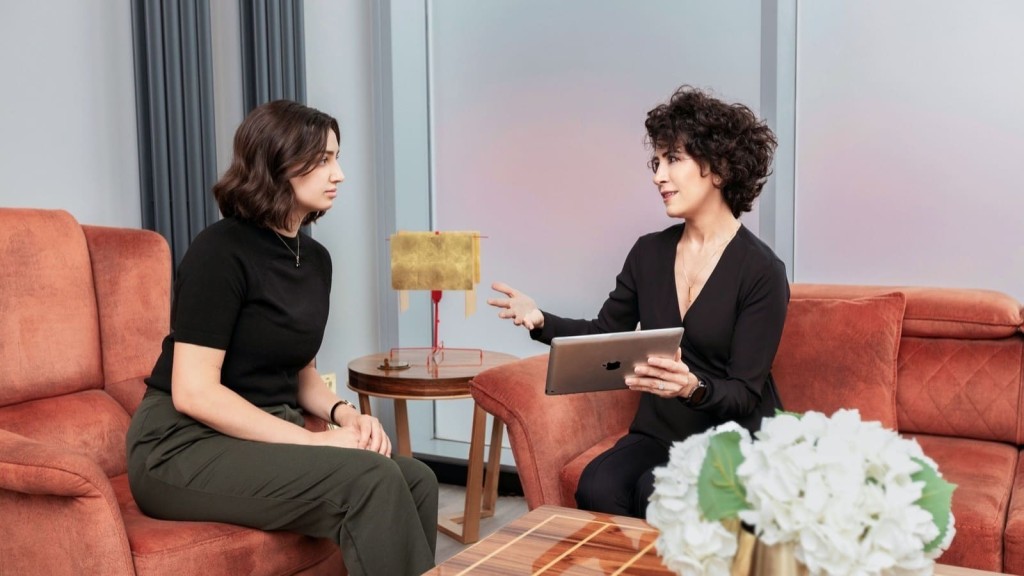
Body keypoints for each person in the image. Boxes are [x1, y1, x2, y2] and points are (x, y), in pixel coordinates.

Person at [126, 100, 438, 575]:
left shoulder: (315, 260)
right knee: (370, 479)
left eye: (337, 157)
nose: (340, 174)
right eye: (323, 160)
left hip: (255, 436)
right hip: (179, 447)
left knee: (416, 477)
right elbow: (193, 391)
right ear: (277, 164)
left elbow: (301, 373)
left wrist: (345, 416)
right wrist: (311, 443)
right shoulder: (220, 251)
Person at [488, 85, 789, 519]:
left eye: (673, 159)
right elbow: (603, 334)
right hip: (660, 430)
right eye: (657, 161)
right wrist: (539, 320)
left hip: (730, 434)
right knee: (598, 485)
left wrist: (691, 386)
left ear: (719, 169)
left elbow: (744, 394)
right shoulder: (649, 253)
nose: (658, 176)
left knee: (655, 489)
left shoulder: (762, 271)